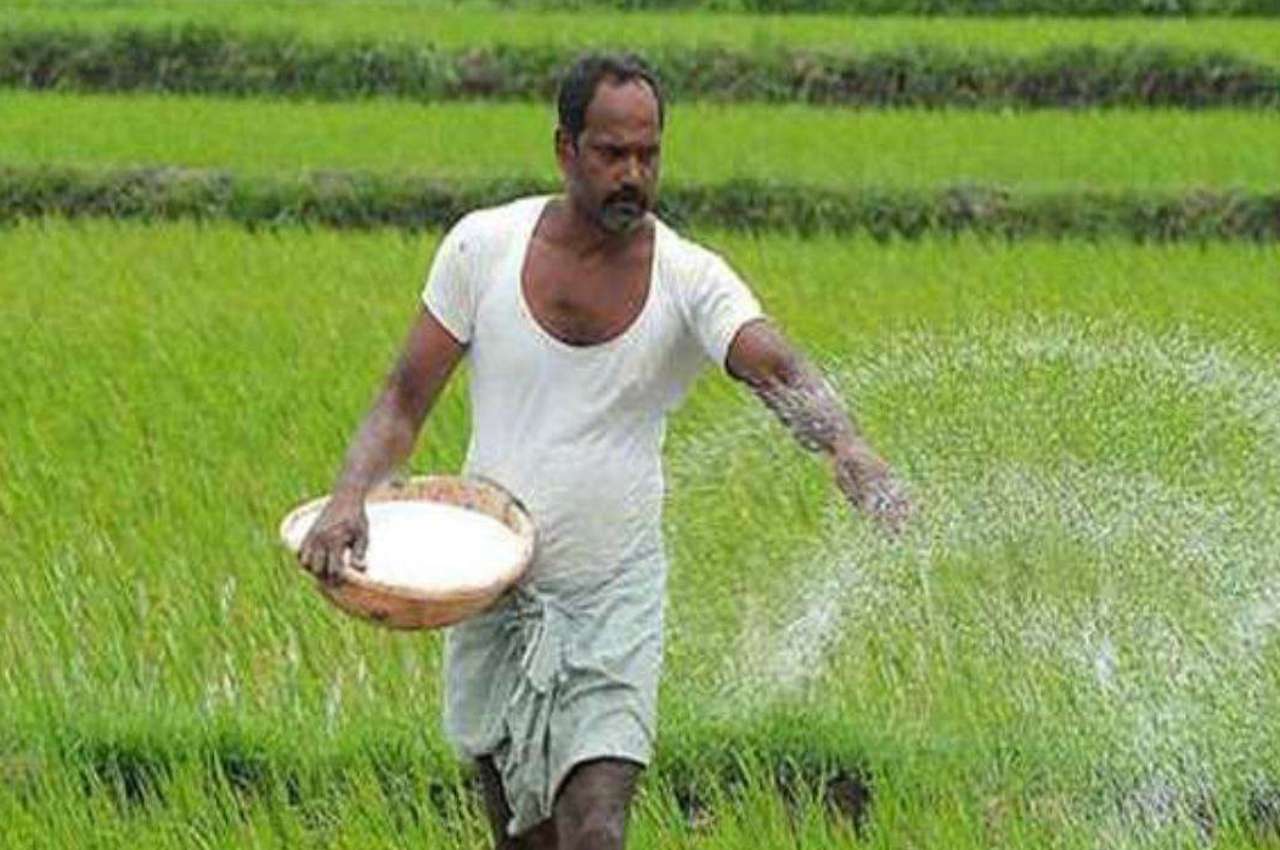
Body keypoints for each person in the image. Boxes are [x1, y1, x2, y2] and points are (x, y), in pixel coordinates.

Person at [297, 52, 911, 850]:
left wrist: (849, 449)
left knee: (596, 830)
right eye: (611, 154)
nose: (633, 174)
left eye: (648, 154)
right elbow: (402, 399)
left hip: (611, 597)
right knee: (525, 838)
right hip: (490, 594)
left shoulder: (690, 279)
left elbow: (776, 366)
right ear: (565, 150)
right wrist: (351, 496)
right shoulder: (481, 249)